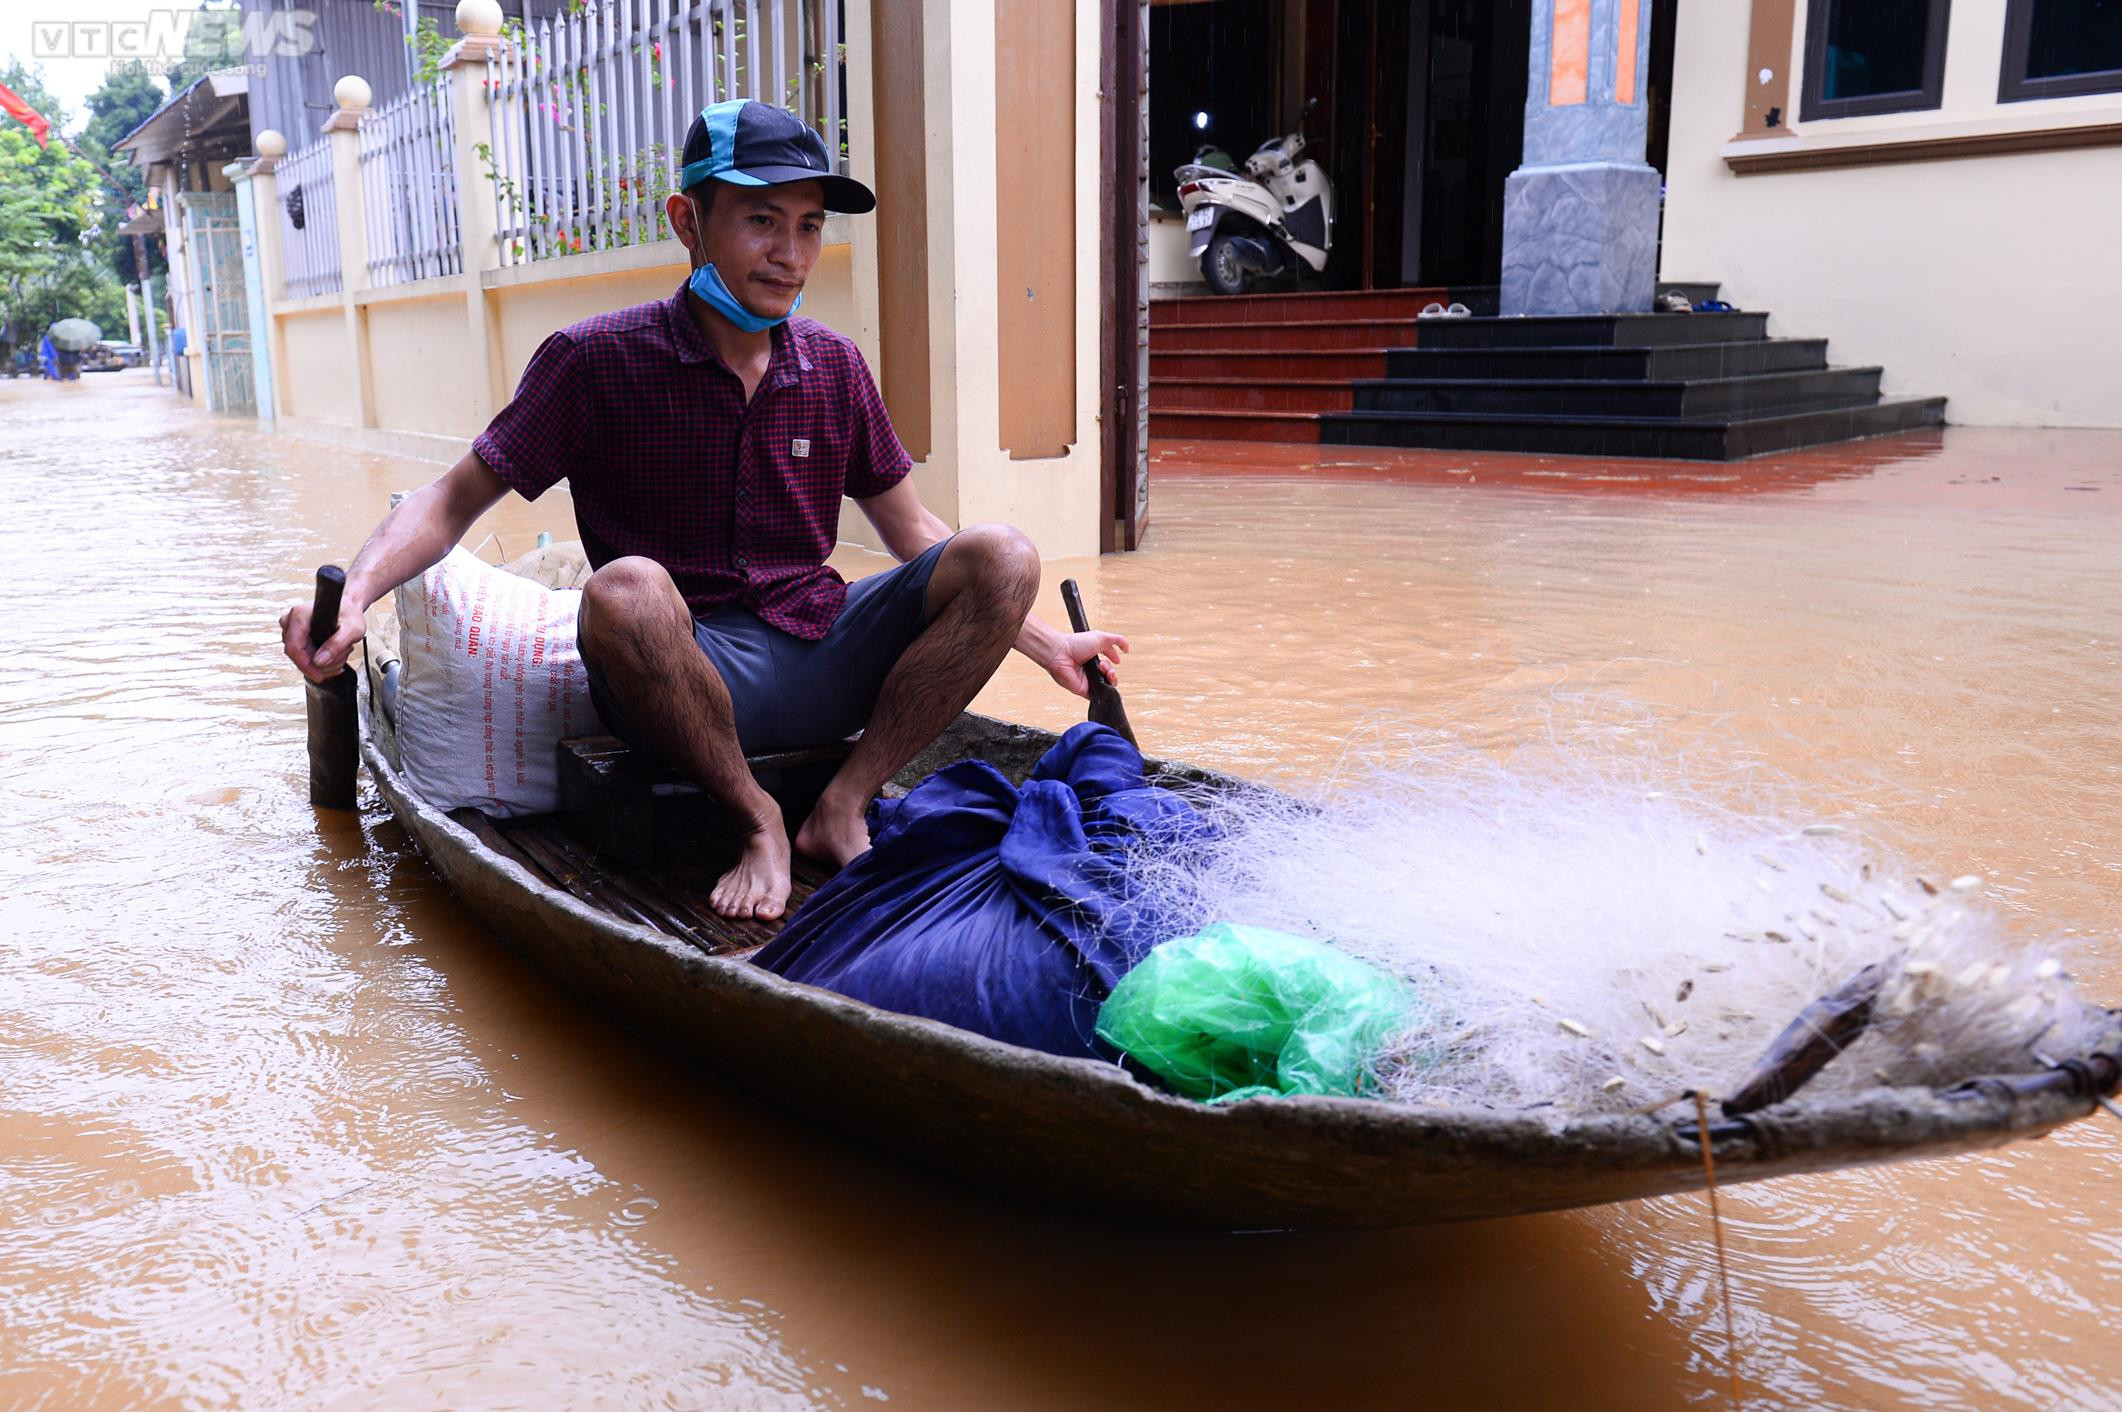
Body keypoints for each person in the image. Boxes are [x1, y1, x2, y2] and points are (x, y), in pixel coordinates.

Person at [283, 100, 1127, 922]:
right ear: (689, 220)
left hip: (823, 649)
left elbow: (915, 535)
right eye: (762, 220)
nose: (789, 254)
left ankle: (842, 804)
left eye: (806, 226)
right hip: (681, 674)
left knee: (1007, 554)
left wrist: (1050, 646)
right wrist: (354, 598)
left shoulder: (833, 366)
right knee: (623, 590)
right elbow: (450, 499)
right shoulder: (594, 361)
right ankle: (757, 819)